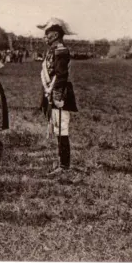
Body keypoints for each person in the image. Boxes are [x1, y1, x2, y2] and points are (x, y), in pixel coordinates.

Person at [37, 18, 78, 175]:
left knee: (62, 128)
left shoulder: (61, 51)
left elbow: (61, 76)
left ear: (54, 35)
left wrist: (56, 94)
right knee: (57, 126)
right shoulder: (53, 50)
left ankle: (64, 165)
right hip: (53, 91)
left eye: (47, 35)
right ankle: (62, 161)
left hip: (59, 93)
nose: (45, 38)